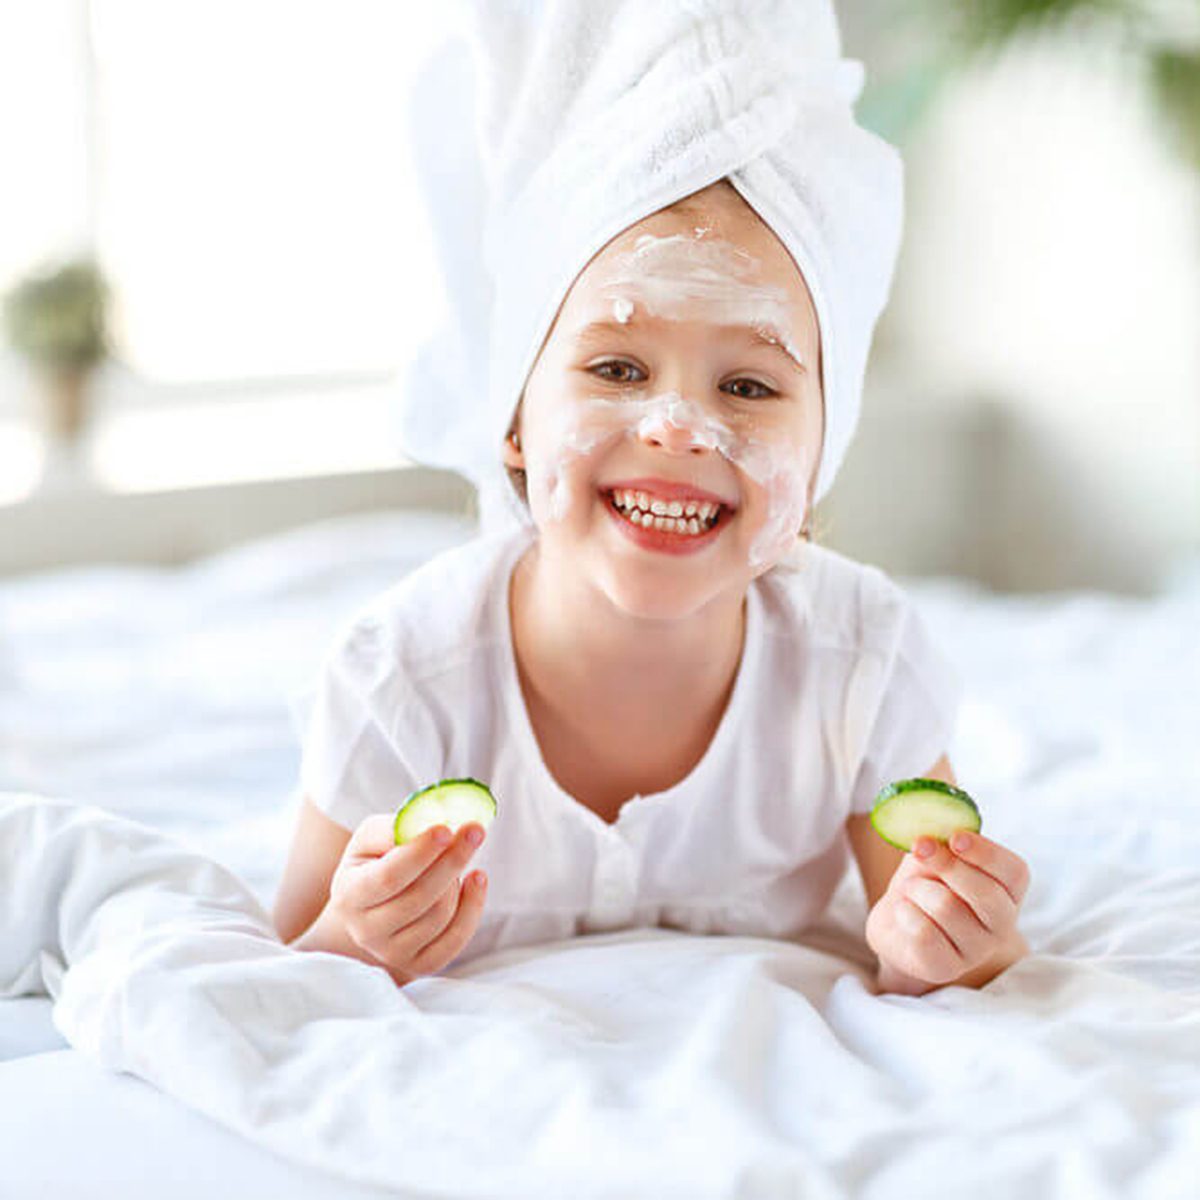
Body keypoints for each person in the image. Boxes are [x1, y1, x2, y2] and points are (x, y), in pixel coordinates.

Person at [271, 2, 1031, 998]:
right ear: (513, 419)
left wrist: (955, 943)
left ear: (820, 455)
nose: (678, 425)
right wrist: (359, 935)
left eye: (750, 387)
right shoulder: (402, 677)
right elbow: (290, 962)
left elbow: (947, 954)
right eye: (619, 366)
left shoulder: (866, 661)